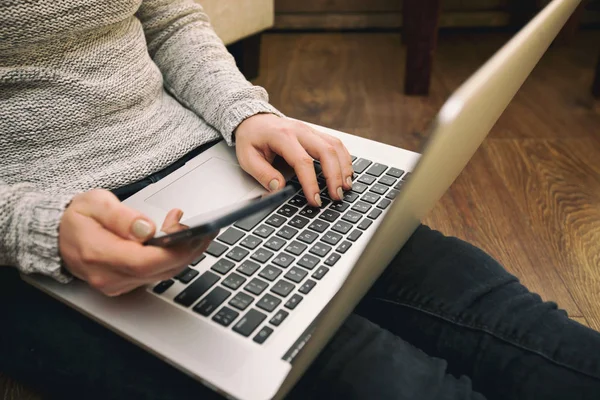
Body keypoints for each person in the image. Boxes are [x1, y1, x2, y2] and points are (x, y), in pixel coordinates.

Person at [1, 1, 599, 399]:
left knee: (500, 313)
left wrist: (245, 114)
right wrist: (37, 227)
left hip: (205, 158)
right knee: (392, 381)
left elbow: (165, 18)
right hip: (46, 231)